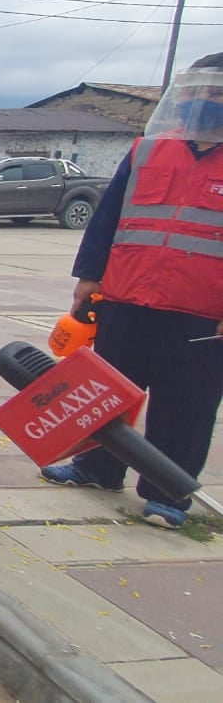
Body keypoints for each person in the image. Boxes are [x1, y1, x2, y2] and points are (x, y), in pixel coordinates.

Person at [42, 53, 223, 530]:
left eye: (218, 93)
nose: (206, 100)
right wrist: (89, 276)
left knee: (185, 408)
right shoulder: (149, 149)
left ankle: (167, 493)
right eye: (200, 90)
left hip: (201, 314)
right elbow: (107, 218)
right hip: (126, 297)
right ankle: (97, 468)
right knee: (108, 393)